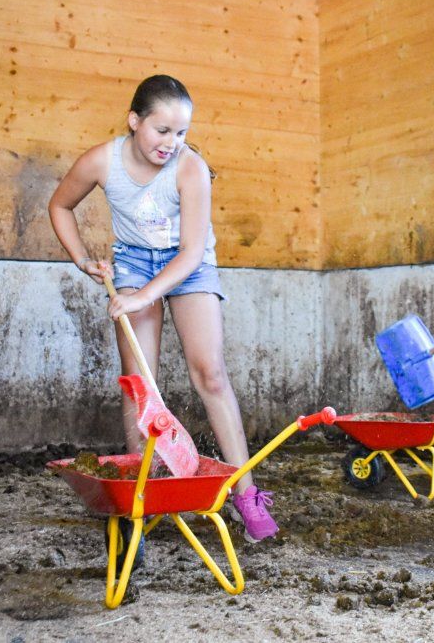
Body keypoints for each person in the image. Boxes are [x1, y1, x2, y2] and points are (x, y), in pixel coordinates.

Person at [48, 74, 277, 542]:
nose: (172, 143)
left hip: (188, 266)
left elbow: (192, 252)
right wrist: (81, 259)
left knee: (209, 372)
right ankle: (141, 497)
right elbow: (60, 206)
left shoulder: (190, 168)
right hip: (132, 262)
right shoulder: (102, 160)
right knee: (140, 387)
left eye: (182, 133)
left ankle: (245, 494)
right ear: (135, 121)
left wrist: (145, 295)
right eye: (162, 130)